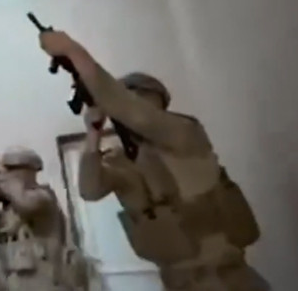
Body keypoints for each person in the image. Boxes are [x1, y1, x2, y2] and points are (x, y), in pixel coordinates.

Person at [38, 30, 269, 291]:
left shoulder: (184, 133)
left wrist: (73, 52)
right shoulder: (123, 160)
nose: (133, 110)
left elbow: (138, 116)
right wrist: (93, 135)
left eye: (140, 100)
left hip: (229, 280)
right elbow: (90, 190)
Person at [0, 128, 69, 291]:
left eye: (12, 169)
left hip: (45, 280)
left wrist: (1, 176)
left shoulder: (42, 197)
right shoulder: (6, 205)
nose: (7, 174)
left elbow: (25, 203)